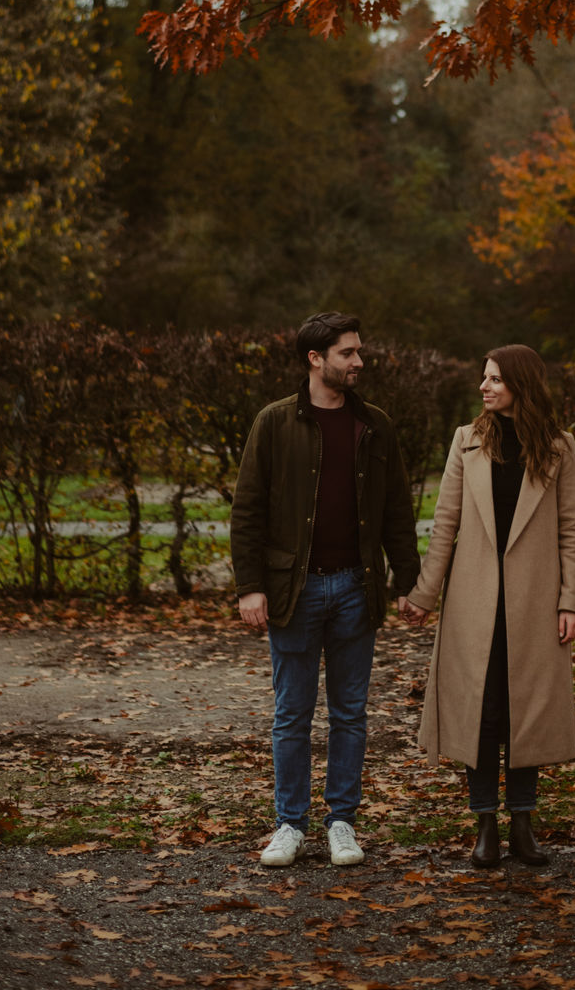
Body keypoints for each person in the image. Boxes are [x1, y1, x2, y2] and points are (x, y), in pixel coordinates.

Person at [231, 312, 421, 868]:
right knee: (292, 714)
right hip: (295, 590)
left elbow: (397, 511)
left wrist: (407, 581)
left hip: (356, 589)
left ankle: (342, 822)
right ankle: (290, 824)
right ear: (315, 359)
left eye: (358, 351)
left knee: (350, 713)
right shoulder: (274, 422)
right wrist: (250, 587)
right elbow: (248, 510)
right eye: (347, 352)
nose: (359, 361)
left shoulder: (375, 425)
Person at [403, 344, 575, 868]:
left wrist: (570, 601)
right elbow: (445, 525)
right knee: (479, 712)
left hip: (535, 604)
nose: (484, 387)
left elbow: (570, 529)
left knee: (525, 713)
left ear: (521, 385)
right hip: (472, 604)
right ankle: (485, 825)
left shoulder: (558, 446)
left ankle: (523, 825)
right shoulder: (467, 441)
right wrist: (424, 595)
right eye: (484, 378)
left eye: (495, 379)